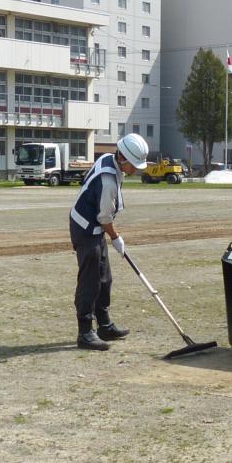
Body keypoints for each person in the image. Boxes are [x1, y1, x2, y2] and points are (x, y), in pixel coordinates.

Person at [68, 132, 148, 350]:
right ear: (122, 158)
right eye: (134, 164)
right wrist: (116, 238)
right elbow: (105, 217)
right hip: (85, 228)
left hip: (94, 226)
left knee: (105, 277)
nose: (137, 169)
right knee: (90, 281)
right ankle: (85, 332)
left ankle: (104, 325)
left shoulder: (107, 158)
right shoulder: (108, 182)